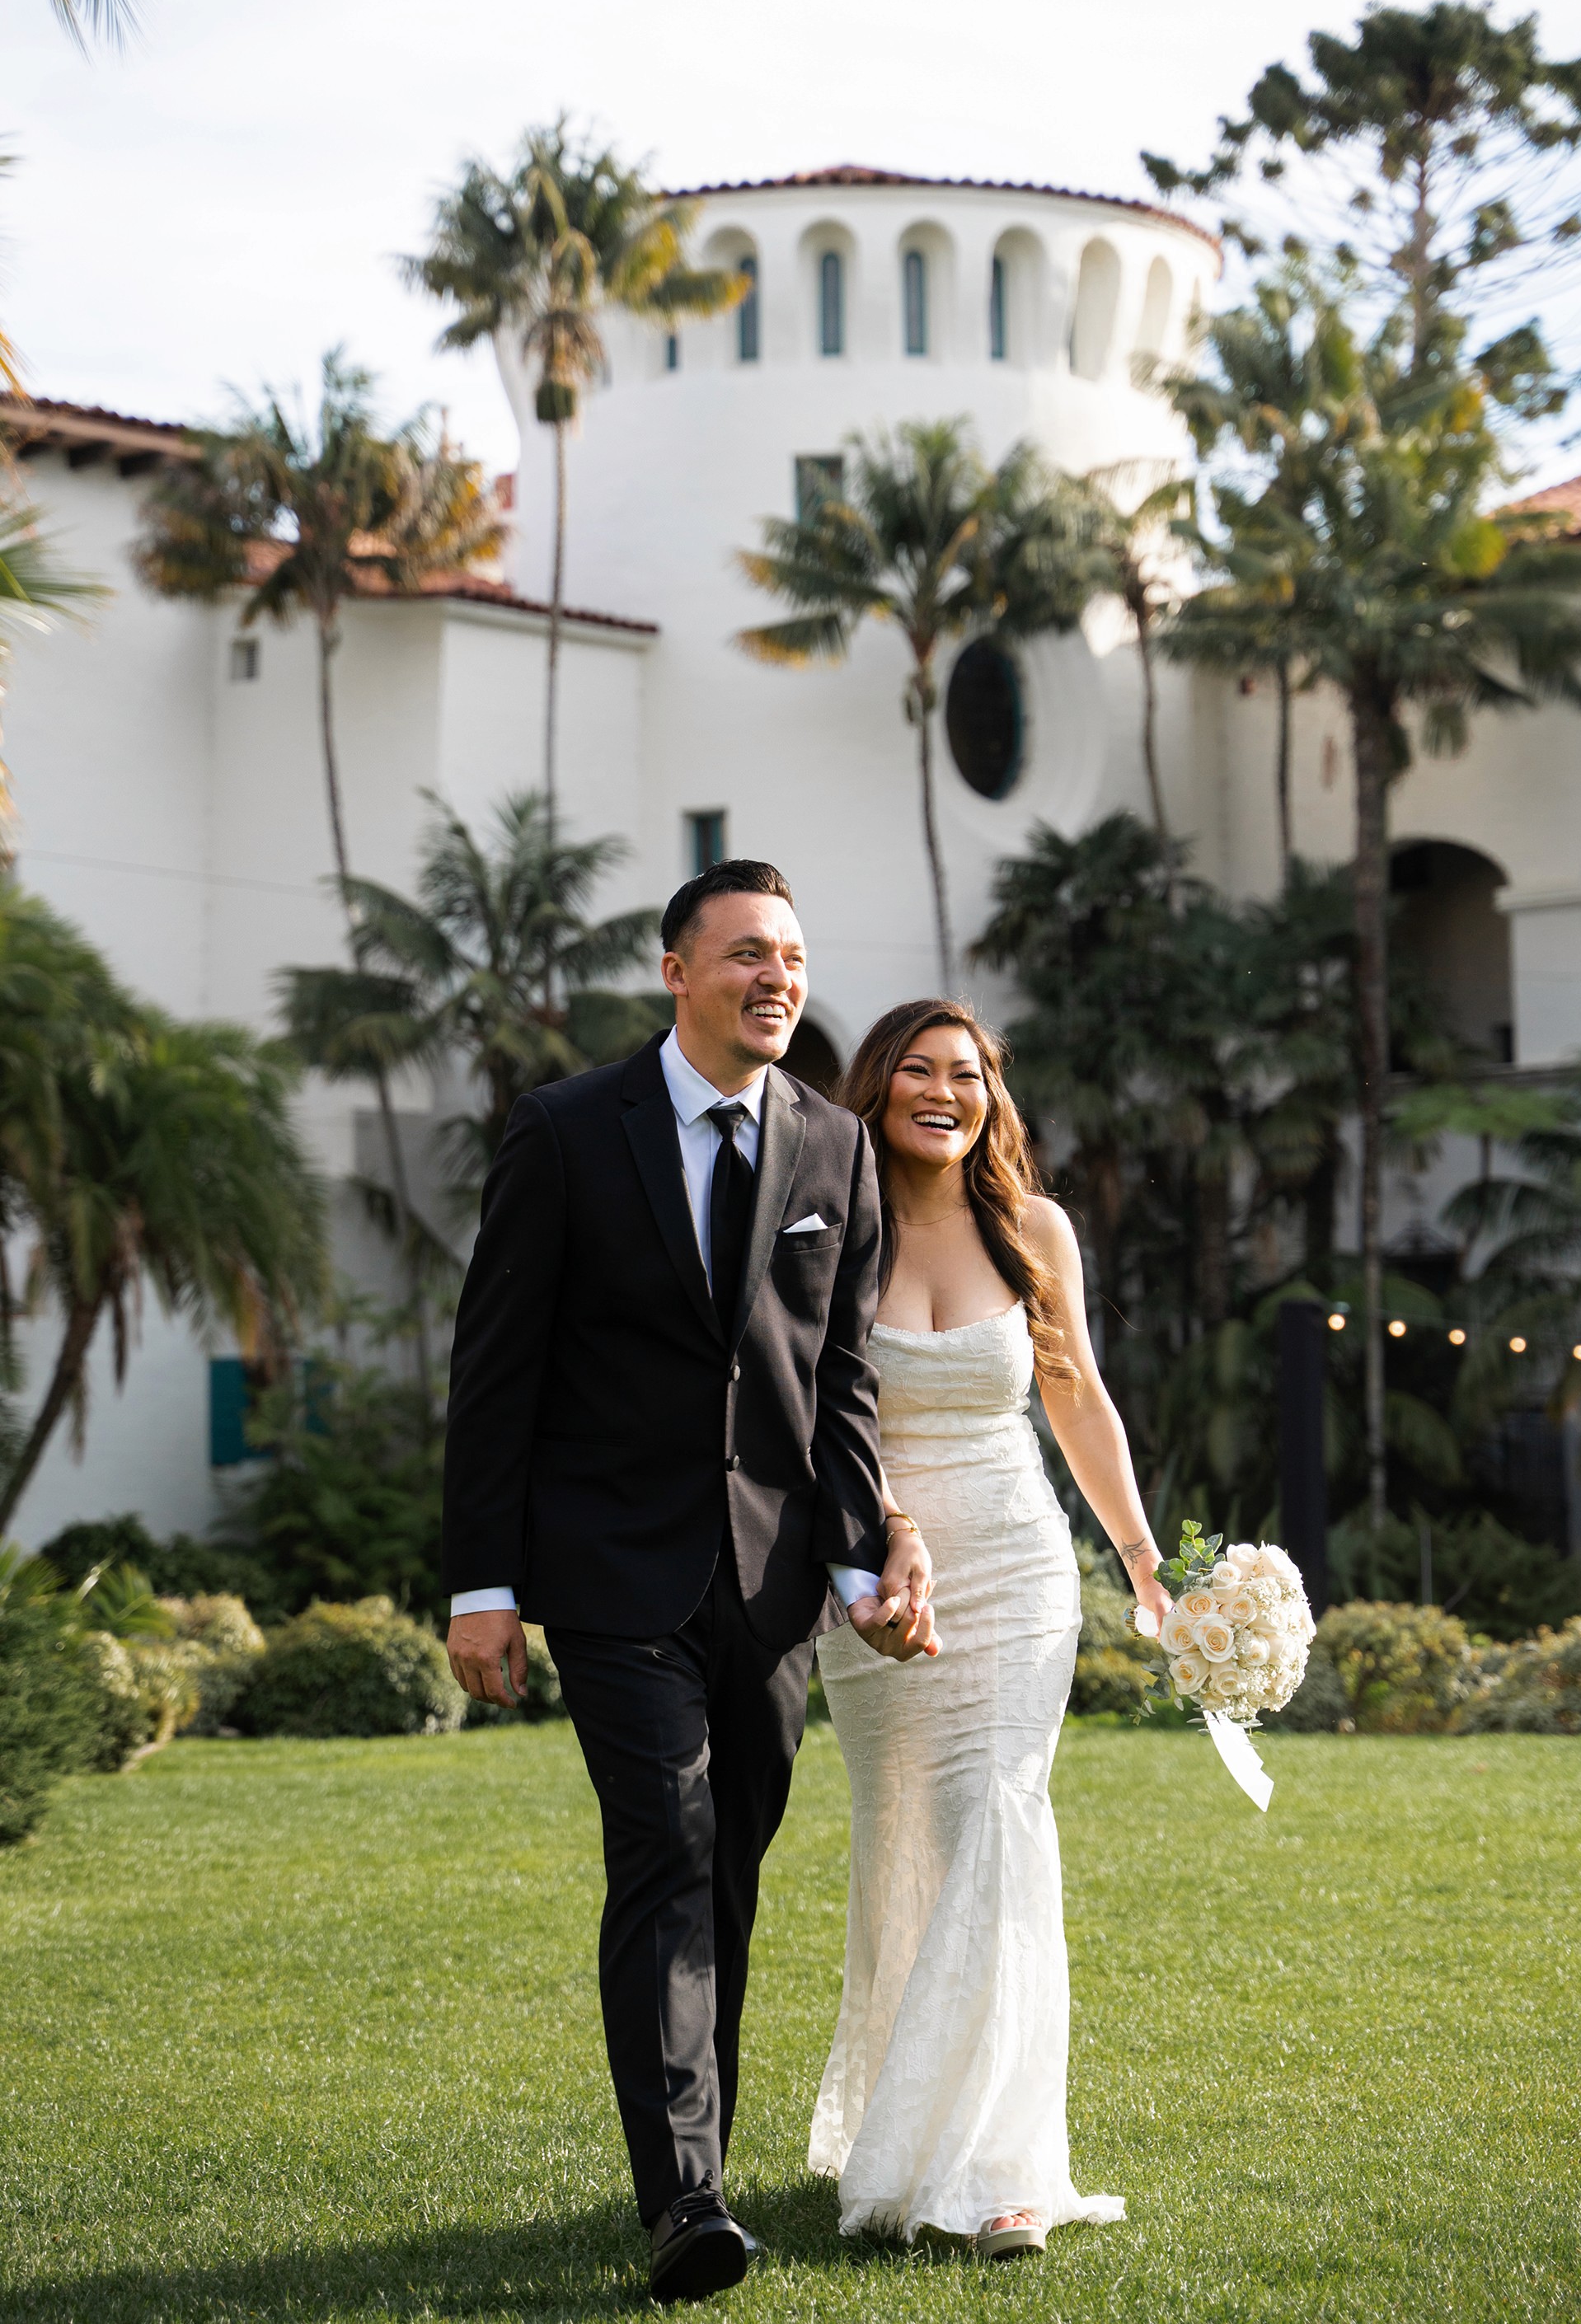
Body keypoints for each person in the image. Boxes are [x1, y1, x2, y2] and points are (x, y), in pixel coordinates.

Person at [439, 860, 936, 2306]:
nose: (775, 978)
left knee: (727, 1867)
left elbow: (835, 1380)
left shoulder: (834, 1149)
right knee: (664, 1836)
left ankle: (691, 2158)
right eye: (743, 956)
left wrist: (858, 1553)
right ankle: (686, 2199)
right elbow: (496, 1373)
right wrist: (483, 1583)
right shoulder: (564, 1132)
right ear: (675, 972)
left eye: (790, 956)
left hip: (773, 1581)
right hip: (608, 1567)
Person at [810, 999, 1171, 2256]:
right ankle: (899, 2139)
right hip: (872, 1573)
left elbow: (1078, 1397)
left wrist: (1139, 1559)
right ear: (875, 1086)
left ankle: (1003, 2165)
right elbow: (812, 1422)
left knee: (997, 1824)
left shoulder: (1033, 1228)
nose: (943, 1091)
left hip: (1018, 1565)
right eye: (916, 1069)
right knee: (904, 1833)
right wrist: (879, 1535)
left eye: (966, 1074)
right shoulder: (825, 1227)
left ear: (991, 1094)